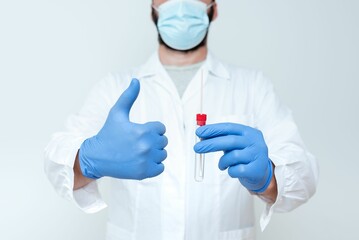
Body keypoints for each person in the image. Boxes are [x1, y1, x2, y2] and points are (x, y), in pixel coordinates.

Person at [44, 0, 319, 239]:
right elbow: (56, 163)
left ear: (214, 9)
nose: (182, 5)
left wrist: (270, 179)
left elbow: (304, 176)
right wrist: (88, 160)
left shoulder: (252, 86)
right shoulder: (113, 87)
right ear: (153, 9)